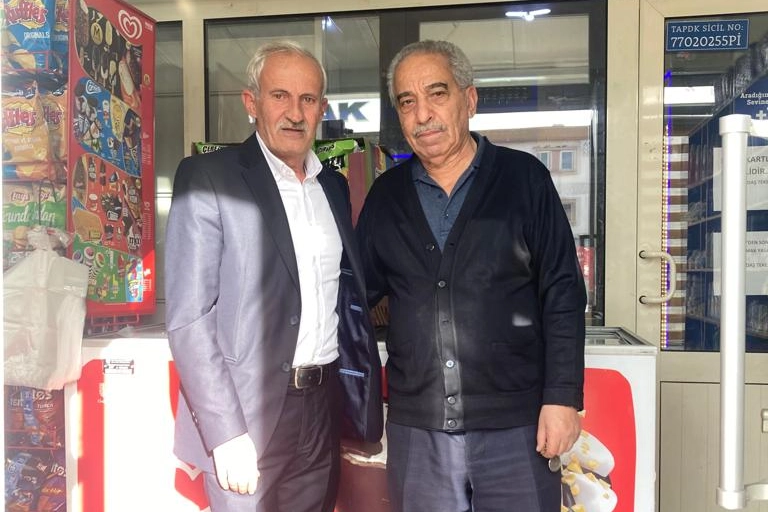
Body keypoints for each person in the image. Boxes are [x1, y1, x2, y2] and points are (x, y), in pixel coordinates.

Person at [356, 40, 586, 512]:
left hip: (517, 426)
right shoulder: (387, 196)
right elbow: (354, 293)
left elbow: (562, 291)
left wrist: (562, 398)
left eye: (437, 94)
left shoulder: (525, 180)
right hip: (418, 429)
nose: (423, 115)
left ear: (470, 99)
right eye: (407, 101)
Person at [165, 40, 382, 512]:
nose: (295, 113)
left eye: (308, 99)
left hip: (322, 407)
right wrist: (225, 434)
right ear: (252, 102)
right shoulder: (209, 178)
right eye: (280, 95)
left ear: (322, 108)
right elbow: (189, 319)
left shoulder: (333, 186)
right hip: (246, 415)